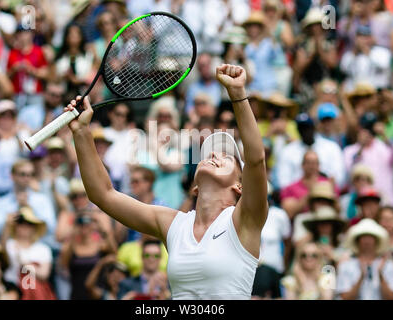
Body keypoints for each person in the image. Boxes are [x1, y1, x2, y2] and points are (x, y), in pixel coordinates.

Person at [65, 64, 268, 299]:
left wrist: (237, 94)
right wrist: (81, 132)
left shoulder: (246, 219)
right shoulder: (174, 224)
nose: (213, 155)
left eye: (227, 157)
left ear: (239, 187)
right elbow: (103, 195)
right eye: (210, 153)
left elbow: (255, 159)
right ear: (195, 187)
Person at [343, 112, 393, 206]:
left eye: (371, 127)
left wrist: (385, 135)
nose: (369, 131)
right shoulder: (350, 150)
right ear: (359, 128)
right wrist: (361, 147)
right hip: (361, 204)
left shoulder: (385, 146)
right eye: (366, 127)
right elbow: (349, 171)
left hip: (387, 203)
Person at [336, 219, 393, 300]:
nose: (367, 241)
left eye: (370, 237)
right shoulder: (346, 265)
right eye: (363, 237)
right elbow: (345, 297)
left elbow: (392, 297)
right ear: (357, 240)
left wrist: (380, 275)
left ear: (376, 240)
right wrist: (361, 277)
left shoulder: (387, 265)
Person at [0, 206, 56, 300]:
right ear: (15, 225)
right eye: (21, 222)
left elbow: (44, 275)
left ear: (34, 227)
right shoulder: (9, 244)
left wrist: (25, 264)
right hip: (12, 291)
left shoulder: (43, 249)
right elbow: (1, 255)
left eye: (29, 223)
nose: (25, 226)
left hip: (34, 294)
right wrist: (7, 226)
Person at [59, 214, 116, 300]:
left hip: (97, 294)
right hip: (77, 294)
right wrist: (73, 230)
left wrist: (101, 227)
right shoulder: (71, 247)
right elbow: (63, 263)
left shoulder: (100, 245)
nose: (84, 228)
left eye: (87, 224)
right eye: (81, 225)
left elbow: (114, 253)